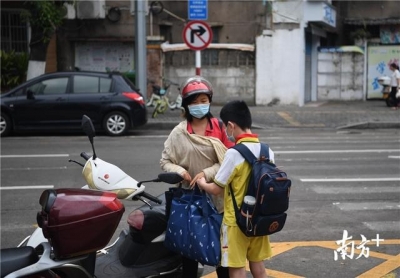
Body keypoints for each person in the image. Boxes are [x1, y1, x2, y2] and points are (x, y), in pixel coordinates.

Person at [160, 76, 233, 277]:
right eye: (194, 102)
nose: (199, 105)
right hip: (190, 200)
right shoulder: (178, 133)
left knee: (222, 257)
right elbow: (165, 162)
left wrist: (206, 173)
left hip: (219, 200)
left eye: (203, 101)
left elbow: (232, 160)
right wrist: (180, 172)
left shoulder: (219, 127)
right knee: (189, 254)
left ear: (209, 101)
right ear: (186, 105)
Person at [197, 100, 274, 278]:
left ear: (231, 125)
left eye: (226, 128)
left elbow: (216, 189)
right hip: (259, 218)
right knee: (259, 266)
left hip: (236, 222)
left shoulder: (234, 153)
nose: (226, 132)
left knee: (237, 267)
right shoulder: (267, 151)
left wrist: (201, 182)